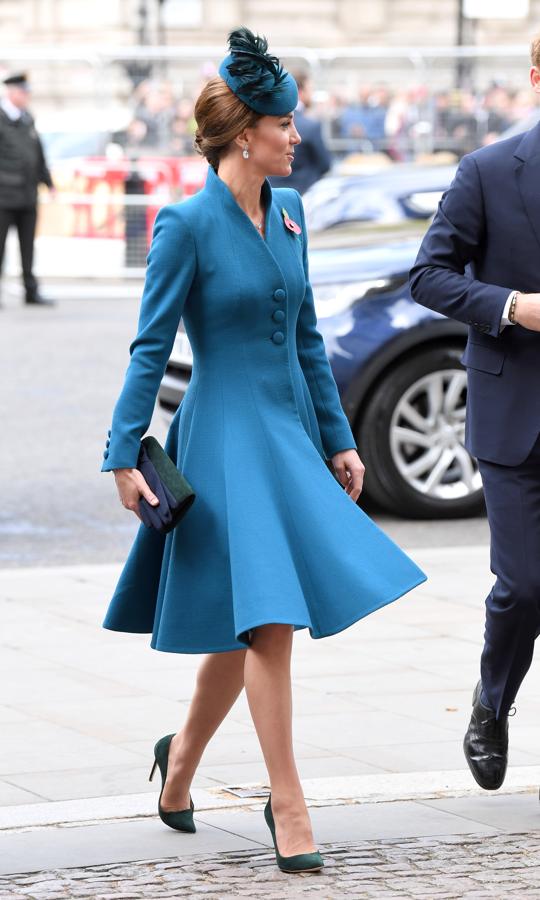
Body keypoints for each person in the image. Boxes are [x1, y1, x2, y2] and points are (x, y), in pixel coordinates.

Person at [101, 27, 426, 875]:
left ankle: (178, 766)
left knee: (250, 624)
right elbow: (149, 346)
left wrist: (339, 437)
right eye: (286, 123)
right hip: (222, 439)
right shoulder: (183, 224)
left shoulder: (291, 212)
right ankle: (289, 802)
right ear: (248, 132)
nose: (297, 135)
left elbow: (309, 337)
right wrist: (123, 455)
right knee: (269, 621)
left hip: (284, 435)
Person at [409, 35, 540, 793]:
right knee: (524, 585)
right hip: (514, 409)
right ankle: (492, 704)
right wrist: (511, 307)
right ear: (534, 78)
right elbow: (429, 274)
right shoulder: (488, 170)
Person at [0, 72, 55, 307]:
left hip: (27, 194)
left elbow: (37, 154)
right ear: (12, 93)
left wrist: (48, 181)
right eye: (24, 92)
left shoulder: (27, 119)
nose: (27, 96)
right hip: (3, 196)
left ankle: (30, 291)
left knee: (28, 247)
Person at [269, 72, 331, 194]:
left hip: (272, 191)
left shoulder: (268, 121)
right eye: (310, 89)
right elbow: (325, 164)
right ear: (300, 92)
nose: (312, 94)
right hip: (304, 193)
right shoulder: (310, 126)